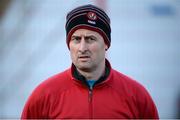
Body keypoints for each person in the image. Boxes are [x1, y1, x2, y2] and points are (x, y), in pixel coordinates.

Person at [21, 4, 159, 119]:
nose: (82, 48)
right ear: (69, 44)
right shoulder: (44, 96)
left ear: (106, 43)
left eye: (90, 39)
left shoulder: (136, 96)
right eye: (76, 39)